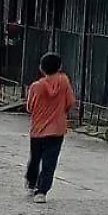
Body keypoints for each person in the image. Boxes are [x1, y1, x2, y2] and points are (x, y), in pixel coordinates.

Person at [25, 52, 74, 202]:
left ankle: (31, 183)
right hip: (57, 130)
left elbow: (29, 107)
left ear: (41, 68)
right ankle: (42, 192)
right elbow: (70, 102)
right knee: (50, 161)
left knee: (35, 158)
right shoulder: (64, 81)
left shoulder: (36, 86)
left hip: (38, 130)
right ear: (60, 67)